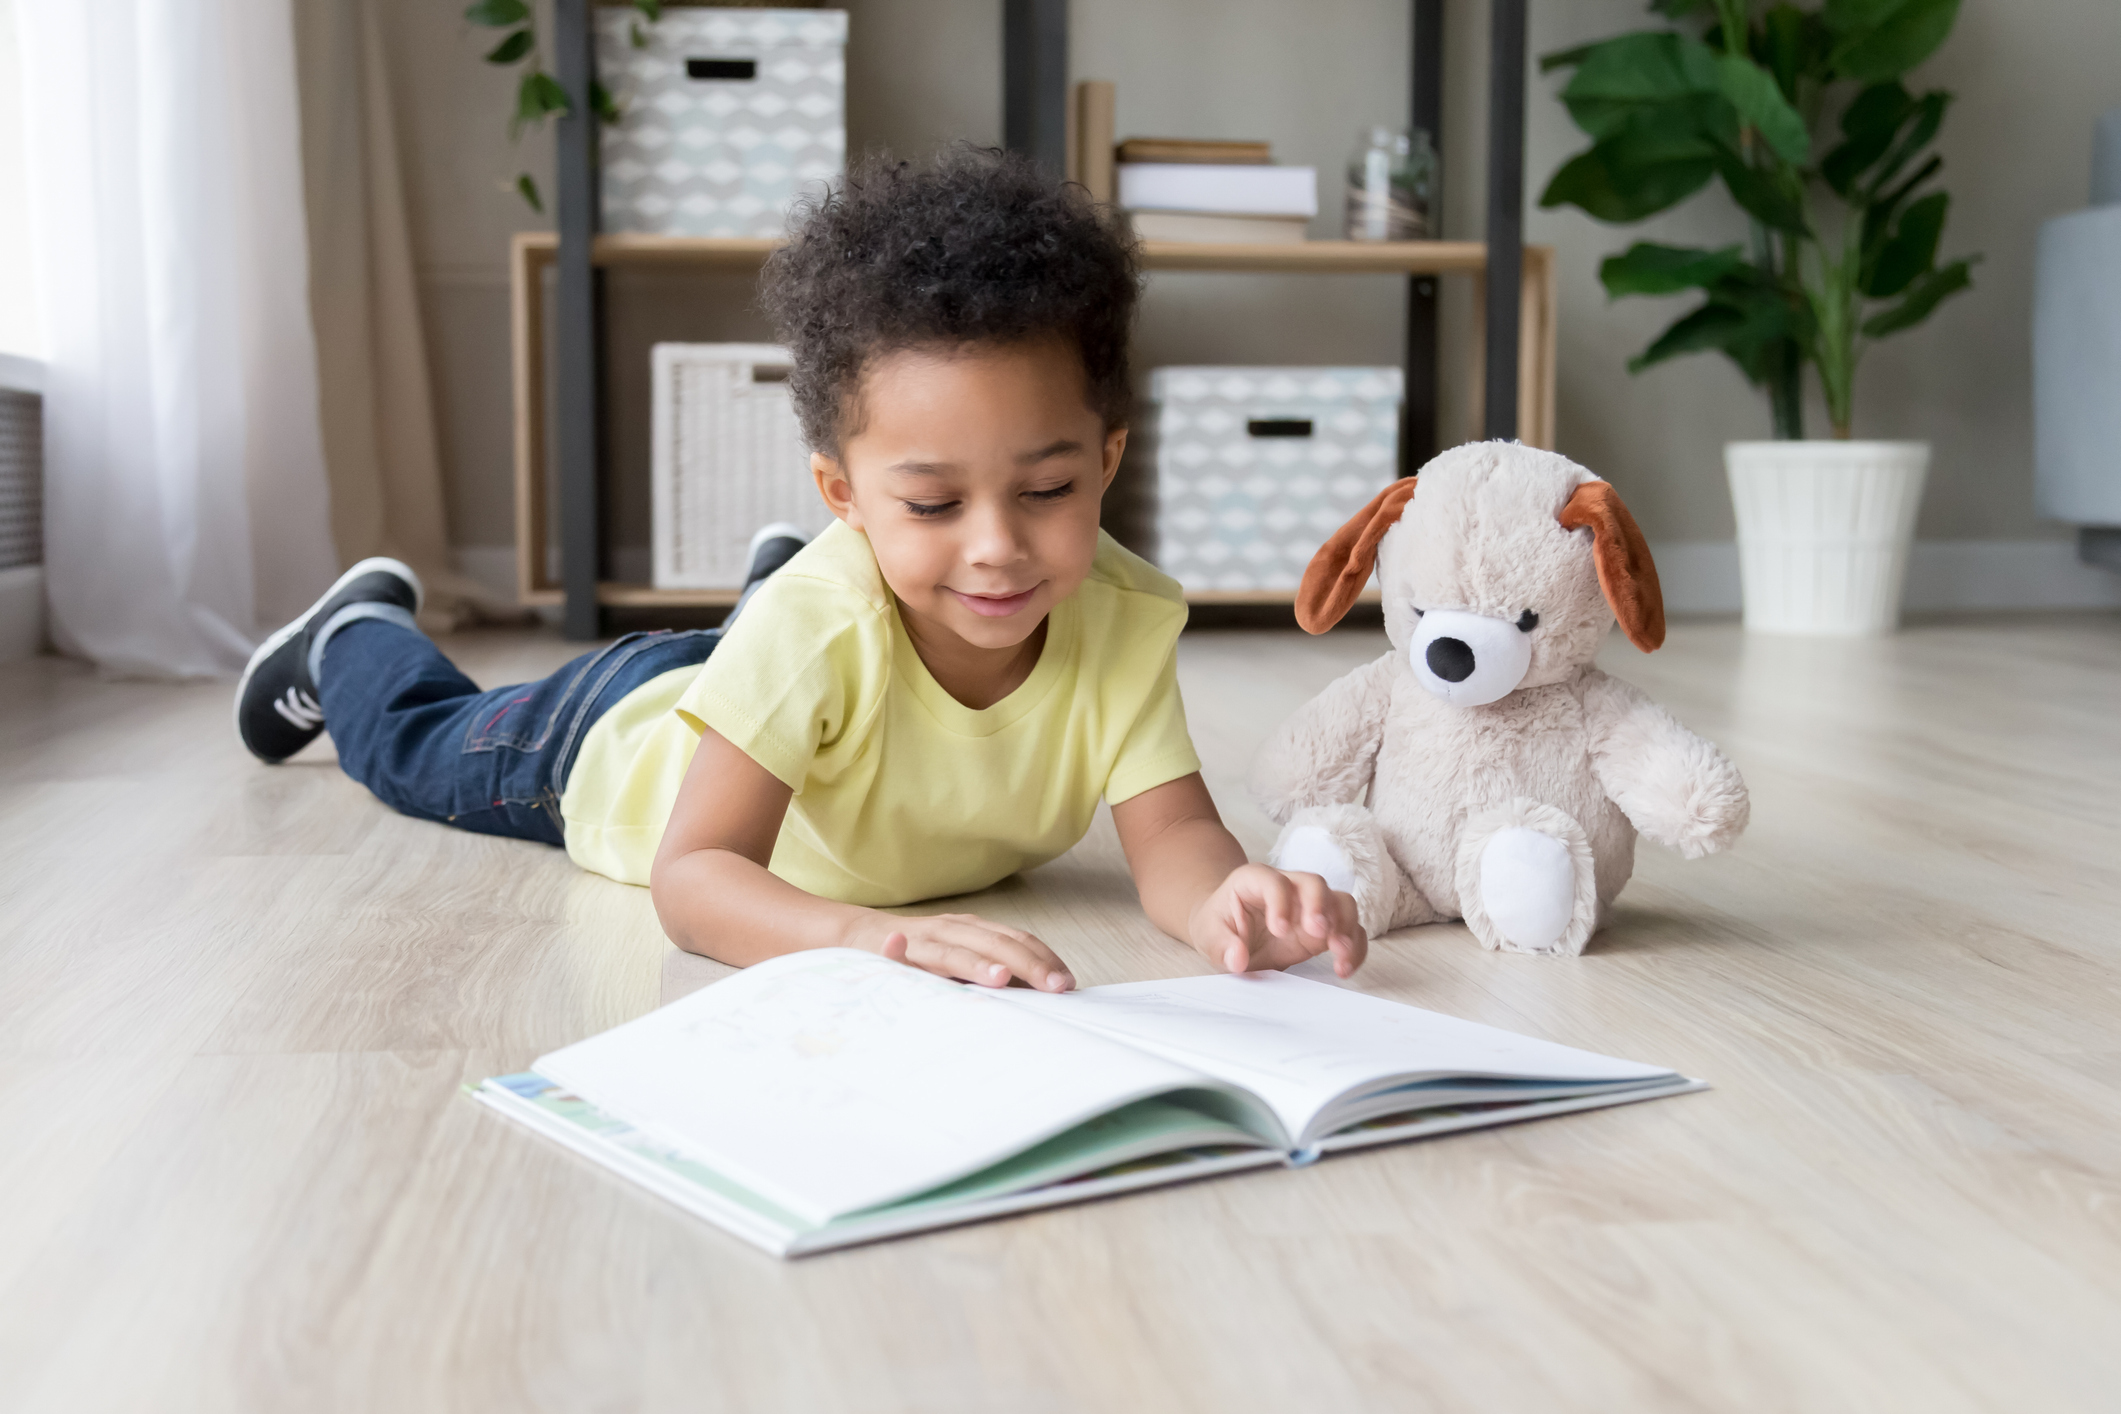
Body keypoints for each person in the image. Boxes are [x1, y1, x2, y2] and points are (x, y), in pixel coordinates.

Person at [235, 145, 1366, 991]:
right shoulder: (823, 631)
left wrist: (1231, 896)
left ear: (1108, 457)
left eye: (1048, 489)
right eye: (930, 502)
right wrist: (868, 938)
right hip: (605, 745)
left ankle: (761, 601)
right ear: (845, 495)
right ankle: (353, 637)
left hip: (788, 665)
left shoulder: (1121, 617)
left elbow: (1168, 839)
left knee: (801, 641)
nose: (997, 545)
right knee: (423, 747)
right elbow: (695, 879)